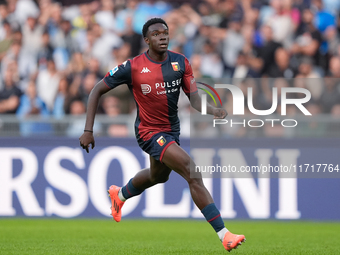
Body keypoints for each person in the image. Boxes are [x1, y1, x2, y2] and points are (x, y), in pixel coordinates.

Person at [79, 17, 245, 252]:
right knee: (192, 171)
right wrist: (88, 130)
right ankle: (224, 234)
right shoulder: (133, 66)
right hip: (148, 132)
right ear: (147, 40)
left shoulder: (181, 63)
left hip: (171, 131)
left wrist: (213, 109)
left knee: (158, 176)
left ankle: (121, 194)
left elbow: (195, 99)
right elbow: (97, 89)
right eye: (156, 34)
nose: (163, 36)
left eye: (165, 32)